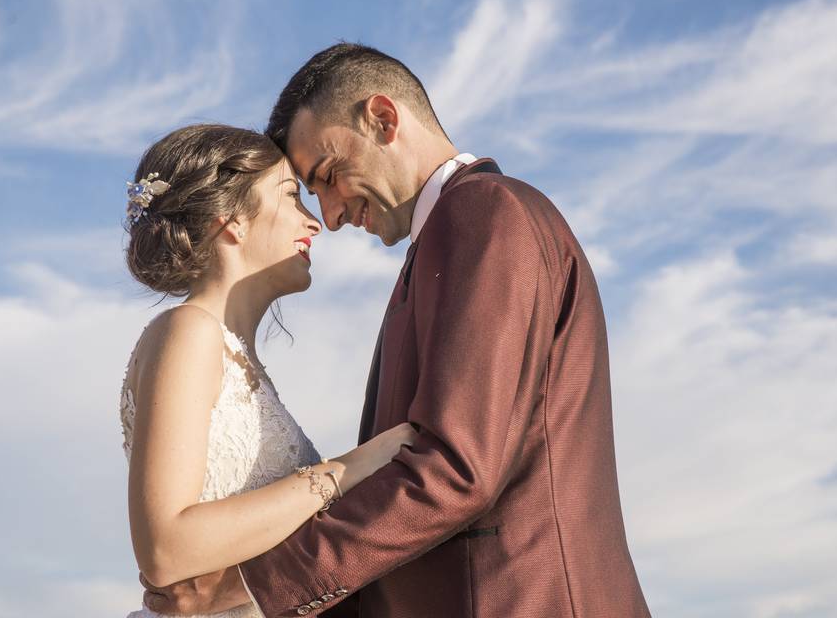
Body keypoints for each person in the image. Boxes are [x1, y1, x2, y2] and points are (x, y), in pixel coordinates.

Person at [144, 43, 651, 617]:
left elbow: (457, 467)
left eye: (329, 176)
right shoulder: (443, 241)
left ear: (382, 119)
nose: (329, 216)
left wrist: (254, 585)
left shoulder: (485, 214)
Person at [119, 124, 417, 618]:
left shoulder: (240, 360)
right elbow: (165, 549)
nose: (314, 221)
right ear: (231, 219)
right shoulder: (189, 331)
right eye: (291, 197)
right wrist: (352, 467)